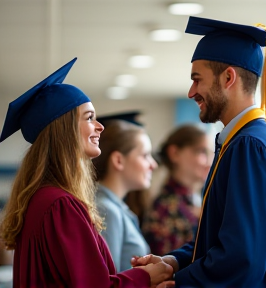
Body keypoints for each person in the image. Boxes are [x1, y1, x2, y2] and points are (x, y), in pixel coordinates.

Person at [132, 16, 266, 288]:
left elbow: (243, 257)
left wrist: (179, 283)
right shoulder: (257, 141)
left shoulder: (247, 146)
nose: (192, 92)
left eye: (197, 79)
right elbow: (221, 237)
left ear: (228, 77)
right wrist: (174, 262)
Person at [0, 58, 173, 288]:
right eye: (89, 117)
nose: (100, 126)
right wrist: (145, 277)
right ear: (65, 129)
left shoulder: (41, 198)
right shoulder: (59, 204)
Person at [92, 116, 157, 272]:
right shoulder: (106, 209)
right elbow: (108, 279)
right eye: (145, 155)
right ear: (118, 160)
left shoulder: (114, 207)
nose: (153, 164)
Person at [141, 124, 211, 256]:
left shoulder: (193, 200)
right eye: (201, 152)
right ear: (175, 153)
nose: (207, 162)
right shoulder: (166, 208)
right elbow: (166, 267)